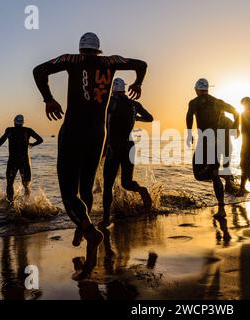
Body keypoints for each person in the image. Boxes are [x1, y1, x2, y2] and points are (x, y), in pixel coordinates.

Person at [33, 32, 147, 278]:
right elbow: (141, 64)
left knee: (68, 194)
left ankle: (90, 232)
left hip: (73, 131)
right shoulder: (111, 62)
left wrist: (48, 99)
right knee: (85, 187)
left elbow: (38, 71)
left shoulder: (70, 60)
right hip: (98, 134)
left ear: (81, 48)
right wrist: (138, 83)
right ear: (98, 50)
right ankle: (84, 230)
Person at [102, 78, 153, 227]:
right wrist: (137, 118)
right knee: (127, 182)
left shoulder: (110, 102)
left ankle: (106, 219)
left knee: (108, 185)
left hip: (114, 146)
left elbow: (107, 126)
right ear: (124, 89)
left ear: (113, 89)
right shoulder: (134, 104)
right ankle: (141, 190)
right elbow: (150, 118)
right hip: (129, 145)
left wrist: (104, 148)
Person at [186, 78, 239, 218]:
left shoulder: (194, 102)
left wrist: (188, 133)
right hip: (216, 141)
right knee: (211, 173)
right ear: (207, 89)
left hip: (205, 140)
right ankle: (221, 204)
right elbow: (236, 112)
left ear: (197, 89)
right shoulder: (218, 102)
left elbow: (189, 116)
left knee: (198, 174)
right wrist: (236, 127)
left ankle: (221, 206)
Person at [0, 115, 43, 203]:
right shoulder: (28, 130)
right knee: (26, 185)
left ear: (14, 122)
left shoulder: (10, 130)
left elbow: (3, 139)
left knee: (10, 184)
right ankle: (26, 203)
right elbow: (40, 140)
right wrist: (32, 145)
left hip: (13, 160)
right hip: (25, 161)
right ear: (23, 122)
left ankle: (10, 203)